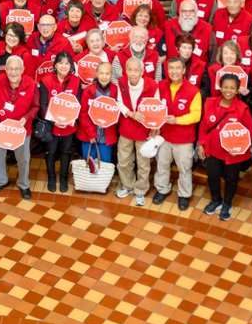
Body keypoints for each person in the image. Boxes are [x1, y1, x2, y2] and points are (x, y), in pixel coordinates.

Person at [199, 73, 252, 220]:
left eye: (232, 88)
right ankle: (215, 200)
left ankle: (227, 204)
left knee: (231, 179)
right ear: (220, 87)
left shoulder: (242, 108)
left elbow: (250, 131)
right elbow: (204, 125)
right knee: (213, 176)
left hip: (233, 154)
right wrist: (201, 144)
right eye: (225, 87)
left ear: (237, 90)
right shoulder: (210, 102)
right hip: (213, 150)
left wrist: (239, 147)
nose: (228, 90)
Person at [0, 55, 39, 199]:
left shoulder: (31, 84)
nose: (13, 72)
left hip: (21, 129)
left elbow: (36, 107)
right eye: (10, 69)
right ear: (5, 69)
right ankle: (1, 180)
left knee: (23, 158)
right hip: (0, 127)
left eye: (17, 69)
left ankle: (23, 184)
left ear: (23, 70)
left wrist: (25, 118)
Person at [154, 56, 202, 210]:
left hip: (184, 139)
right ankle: (162, 189)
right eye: (171, 68)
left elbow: (196, 115)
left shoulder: (194, 91)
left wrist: (177, 120)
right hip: (164, 137)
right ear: (167, 70)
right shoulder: (160, 86)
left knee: (184, 168)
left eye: (177, 68)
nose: (174, 72)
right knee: (162, 165)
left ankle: (184, 194)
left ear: (184, 70)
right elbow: (154, 107)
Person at [115, 56, 161, 203]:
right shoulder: (121, 82)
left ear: (142, 71)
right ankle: (127, 185)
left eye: (136, 70)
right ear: (125, 71)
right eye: (130, 70)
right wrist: (130, 113)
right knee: (123, 161)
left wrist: (155, 128)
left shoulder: (152, 85)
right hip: (127, 128)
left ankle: (140, 190)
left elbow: (157, 108)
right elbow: (119, 102)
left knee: (143, 164)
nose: (133, 73)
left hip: (144, 130)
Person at [38, 51, 80, 193]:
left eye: (67, 63)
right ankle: (51, 177)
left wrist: (67, 120)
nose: (63, 66)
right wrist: (54, 120)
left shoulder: (76, 81)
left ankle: (63, 177)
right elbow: (43, 104)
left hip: (68, 126)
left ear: (71, 65)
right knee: (50, 152)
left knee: (65, 152)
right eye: (60, 62)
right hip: (51, 126)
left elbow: (78, 104)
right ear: (55, 65)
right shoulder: (46, 80)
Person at [78, 60, 120, 164]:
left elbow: (118, 112)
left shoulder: (115, 90)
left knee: (104, 164)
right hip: (89, 135)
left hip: (106, 136)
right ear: (96, 74)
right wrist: (91, 134)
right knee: (88, 163)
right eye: (101, 73)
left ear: (111, 75)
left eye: (107, 73)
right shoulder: (88, 90)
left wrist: (109, 122)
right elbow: (83, 113)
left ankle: (102, 181)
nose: (104, 76)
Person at [164, 0, 213, 66]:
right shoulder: (168, 26)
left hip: (200, 73)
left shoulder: (207, 29)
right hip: (172, 72)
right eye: (184, 11)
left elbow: (213, 59)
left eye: (191, 11)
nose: (188, 14)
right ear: (179, 13)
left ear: (196, 12)